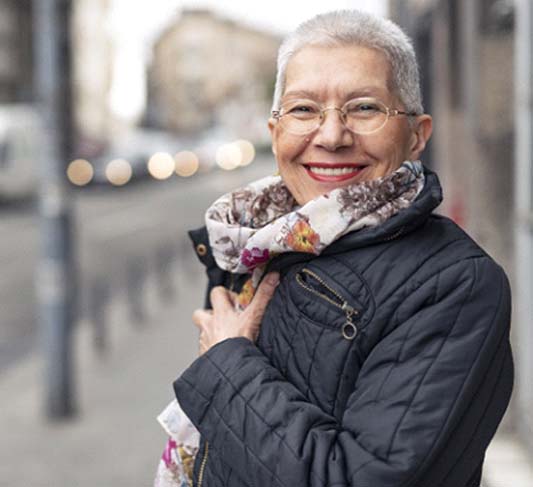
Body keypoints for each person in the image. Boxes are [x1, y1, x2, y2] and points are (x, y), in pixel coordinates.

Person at [160, 9, 514, 487]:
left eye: (365, 107)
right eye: (304, 109)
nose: (330, 136)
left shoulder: (454, 284)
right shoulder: (254, 241)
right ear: (275, 131)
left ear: (417, 135)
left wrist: (225, 361)